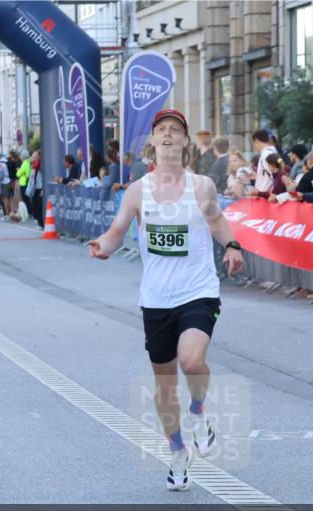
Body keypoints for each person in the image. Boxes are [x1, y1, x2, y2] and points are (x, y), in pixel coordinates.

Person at [88, 109, 244, 491]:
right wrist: (103, 246)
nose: (170, 135)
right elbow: (117, 230)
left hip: (198, 291)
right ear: (153, 142)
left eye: (176, 130)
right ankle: (177, 452)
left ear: (186, 142)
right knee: (164, 385)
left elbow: (217, 221)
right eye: (162, 130)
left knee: (192, 361)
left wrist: (232, 245)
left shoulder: (202, 185)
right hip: (156, 298)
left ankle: (200, 412)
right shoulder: (138, 191)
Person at [251, 129, 278, 196]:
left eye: (253, 143)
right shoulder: (270, 152)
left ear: (256, 140)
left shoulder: (266, 154)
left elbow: (275, 176)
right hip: (266, 196)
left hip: (265, 198)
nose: (254, 146)